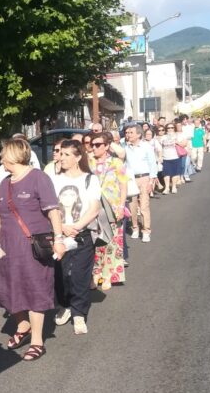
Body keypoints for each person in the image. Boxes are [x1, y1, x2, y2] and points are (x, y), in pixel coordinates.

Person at [0, 137, 65, 358]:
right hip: (7, 247)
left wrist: (59, 239)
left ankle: (37, 341)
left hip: (32, 247)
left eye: (3, 153)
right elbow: (0, 214)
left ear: (14, 155)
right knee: (11, 287)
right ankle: (23, 326)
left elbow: (53, 211)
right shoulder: (5, 182)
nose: (0, 157)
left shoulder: (38, 178)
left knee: (34, 288)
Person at [49, 140, 101, 332]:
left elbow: (94, 209)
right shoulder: (53, 180)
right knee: (60, 275)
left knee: (80, 274)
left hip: (82, 234)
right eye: (60, 154)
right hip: (59, 234)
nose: (61, 158)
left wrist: (76, 227)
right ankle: (65, 305)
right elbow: (48, 208)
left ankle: (79, 313)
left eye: (66, 154)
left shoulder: (90, 179)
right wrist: (61, 227)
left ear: (78, 157)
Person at [90, 132, 128, 290]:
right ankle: (96, 278)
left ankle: (108, 277)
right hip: (93, 209)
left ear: (106, 146)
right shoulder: (88, 162)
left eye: (98, 145)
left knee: (111, 245)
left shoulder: (116, 162)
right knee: (96, 246)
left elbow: (123, 185)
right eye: (92, 145)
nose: (94, 147)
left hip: (112, 208)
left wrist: (120, 206)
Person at [123, 123, 157, 241]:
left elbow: (153, 164)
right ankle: (135, 228)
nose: (128, 135)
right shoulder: (125, 148)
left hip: (144, 178)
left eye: (131, 133)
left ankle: (146, 230)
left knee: (144, 205)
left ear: (138, 134)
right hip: (131, 179)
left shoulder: (146, 146)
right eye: (127, 133)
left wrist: (151, 181)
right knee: (132, 206)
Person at [160, 121, 184, 193]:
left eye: (172, 128)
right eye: (168, 128)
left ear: (174, 128)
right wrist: (160, 156)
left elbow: (183, 144)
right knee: (166, 173)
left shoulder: (177, 136)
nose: (170, 129)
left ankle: (173, 187)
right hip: (166, 157)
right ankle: (167, 188)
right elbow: (160, 148)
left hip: (175, 156)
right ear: (166, 129)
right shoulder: (163, 137)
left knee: (175, 173)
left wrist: (177, 142)